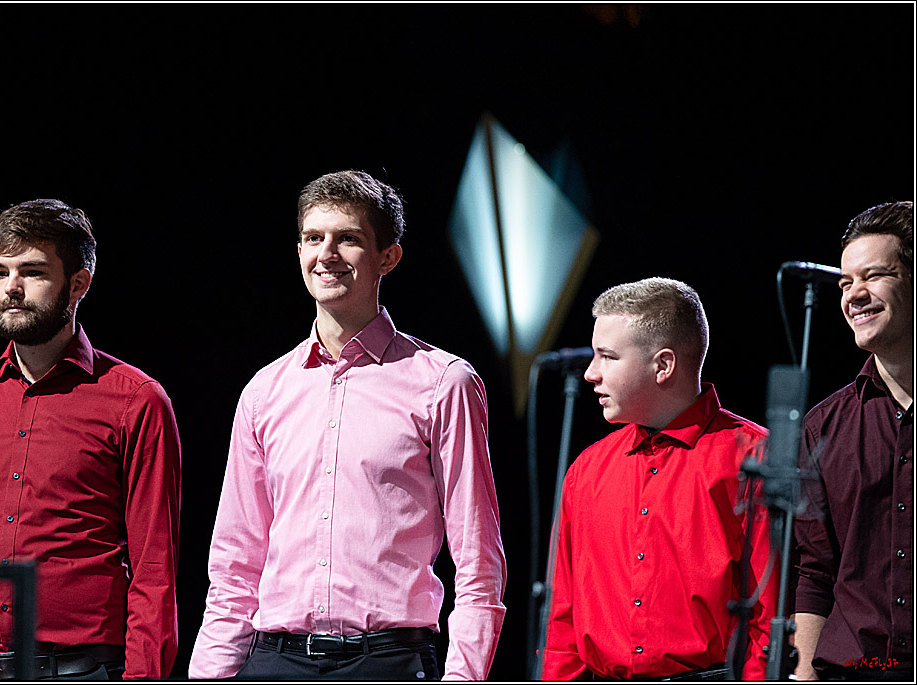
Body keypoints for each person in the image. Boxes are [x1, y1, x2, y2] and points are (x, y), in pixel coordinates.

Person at [188, 170, 506, 680]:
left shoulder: (443, 382)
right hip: (275, 661)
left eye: (348, 238)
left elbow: (477, 555)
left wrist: (464, 676)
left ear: (388, 257)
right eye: (314, 238)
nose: (327, 254)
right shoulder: (264, 392)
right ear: (299, 252)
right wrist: (210, 674)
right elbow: (235, 561)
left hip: (388, 660)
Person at [0, 199, 182, 681]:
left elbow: (155, 570)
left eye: (32, 271)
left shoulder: (136, 400)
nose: (11, 287)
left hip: (78, 670)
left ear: (78, 284)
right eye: (0, 272)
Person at [542, 277, 777, 680]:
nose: (590, 373)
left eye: (608, 357)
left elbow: (772, 612)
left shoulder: (753, 459)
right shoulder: (586, 471)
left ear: (663, 365)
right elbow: (562, 620)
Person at [793, 201, 913, 681]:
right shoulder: (823, 427)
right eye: (845, 283)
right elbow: (814, 572)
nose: (854, 295)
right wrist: (803, 676)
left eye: (874, 275)